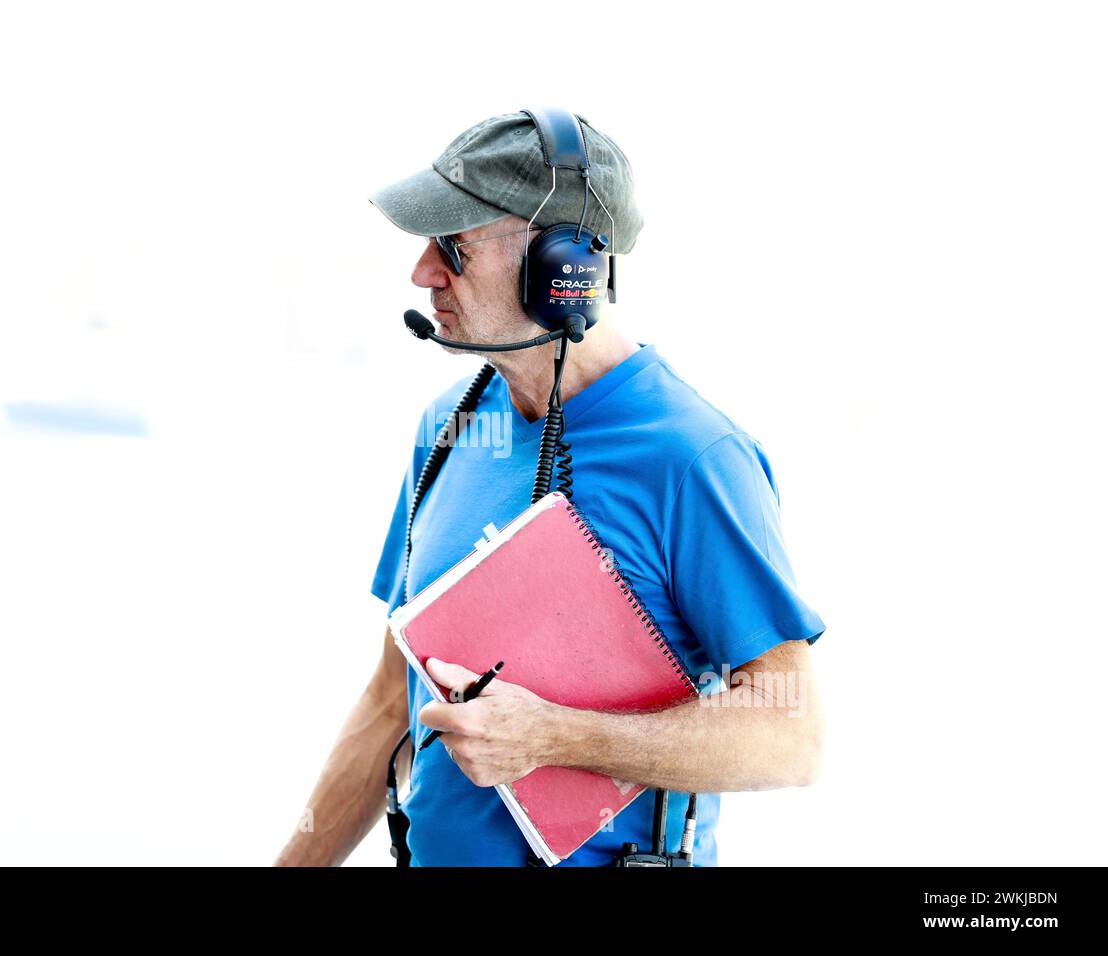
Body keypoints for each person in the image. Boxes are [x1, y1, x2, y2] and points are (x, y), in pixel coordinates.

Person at [274, 110, 827, 867]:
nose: (423, 273)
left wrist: (560, 737)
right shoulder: (453, 427)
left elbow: (791, 734)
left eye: (454, 247)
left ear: (563, 267)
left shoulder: (694, 457)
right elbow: (386, 702)